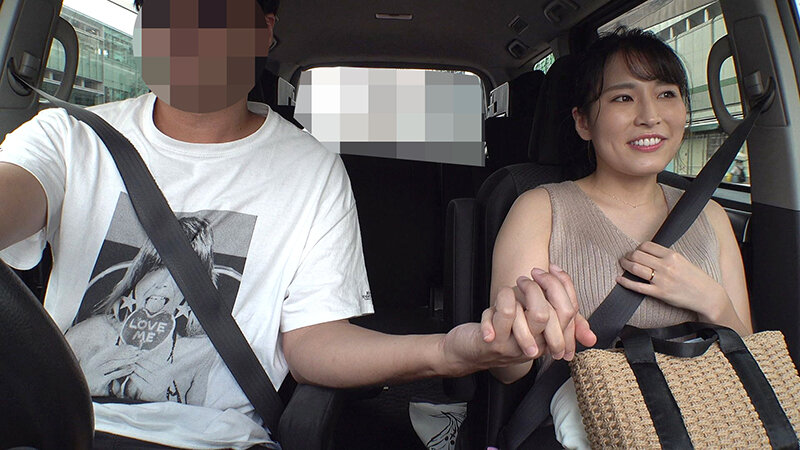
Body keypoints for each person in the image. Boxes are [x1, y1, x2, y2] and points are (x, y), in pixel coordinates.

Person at [0, 0, 539, 448]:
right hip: (46, 427)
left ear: (262, 30)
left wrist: (448, 352)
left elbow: (313, 344)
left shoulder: (311, 170)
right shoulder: (66, 137)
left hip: (213, 440)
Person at [489, 28, 752, 447]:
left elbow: (749, 356)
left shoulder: (711, 215)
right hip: (598, 421)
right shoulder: (539, 209)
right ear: (583, 122)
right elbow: (506, 371)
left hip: (712, 419)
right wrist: (526, 335)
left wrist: (711, 301)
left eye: (666, 94)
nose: (650, 115)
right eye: (623, 98)